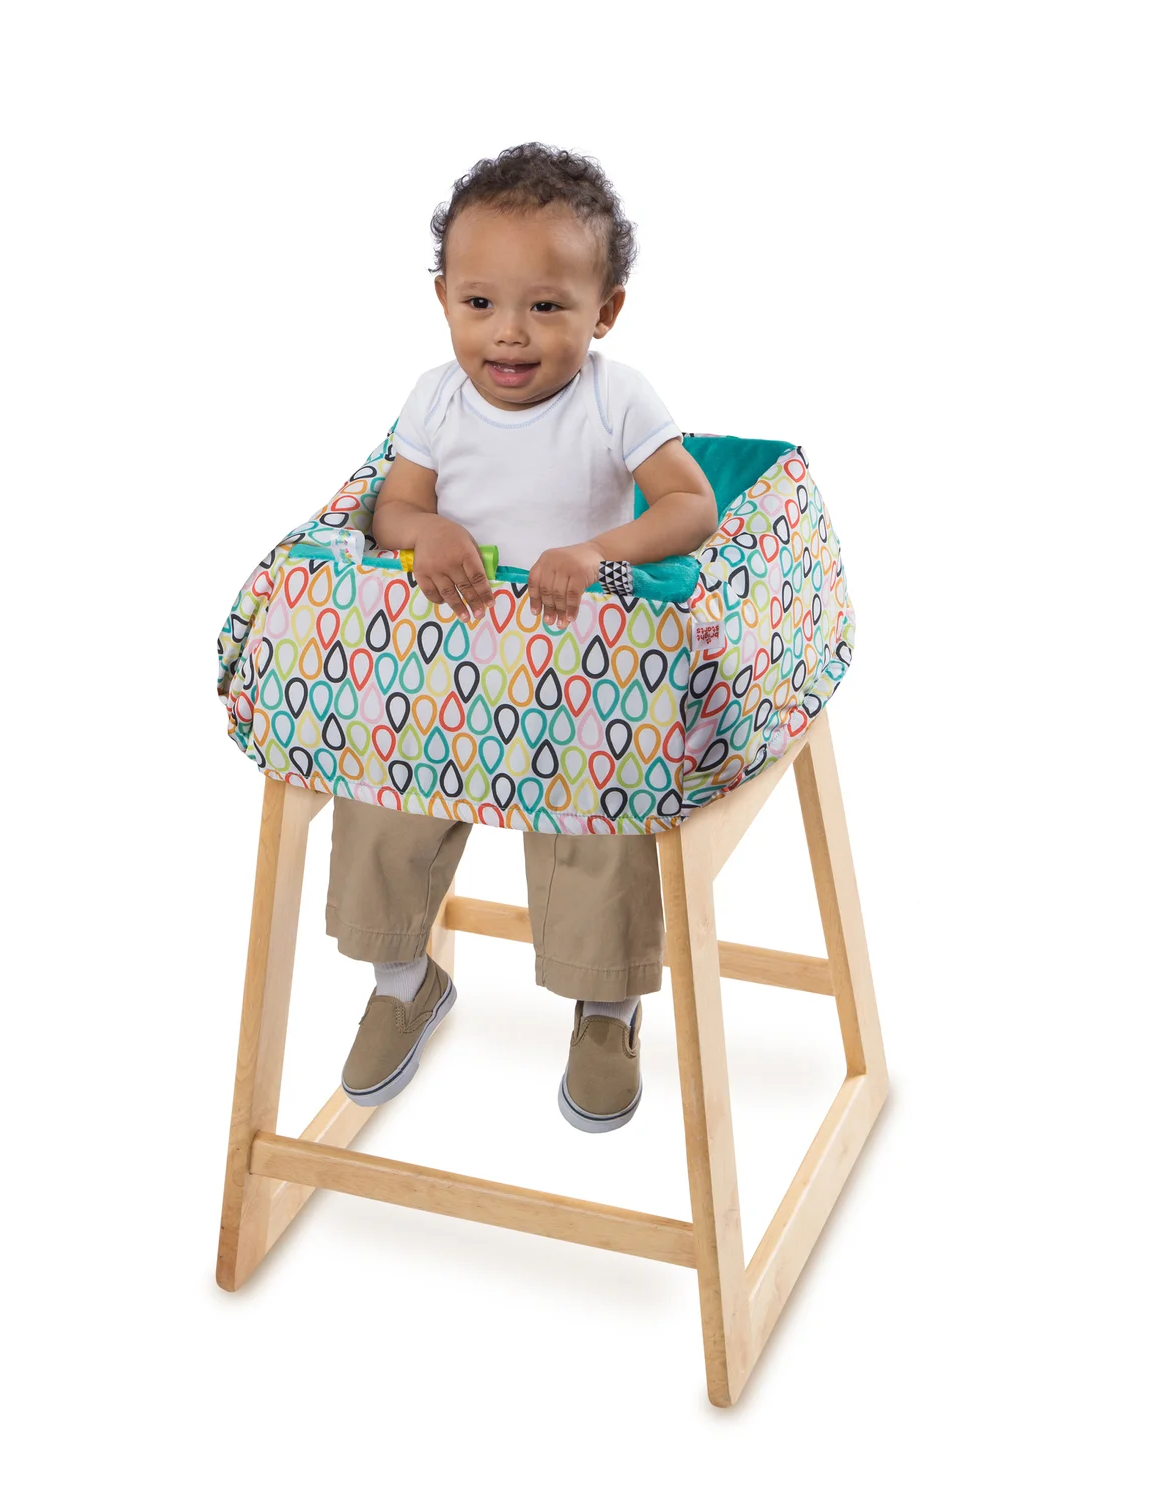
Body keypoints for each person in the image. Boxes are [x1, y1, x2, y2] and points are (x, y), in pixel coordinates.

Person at [326, 142, 717, 1132]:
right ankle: (403, 980)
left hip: (583, 675)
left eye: (547, 305)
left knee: (599, 822)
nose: (510, 332)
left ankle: (606, 1008)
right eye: (480, 303)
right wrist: (427, 532)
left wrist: (595, 549)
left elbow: (691, 507)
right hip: (448, 670)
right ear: (443, 299)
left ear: (605, 310)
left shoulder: (616, 398)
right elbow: (391, 511)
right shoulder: (434, 398)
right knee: (380, 795)